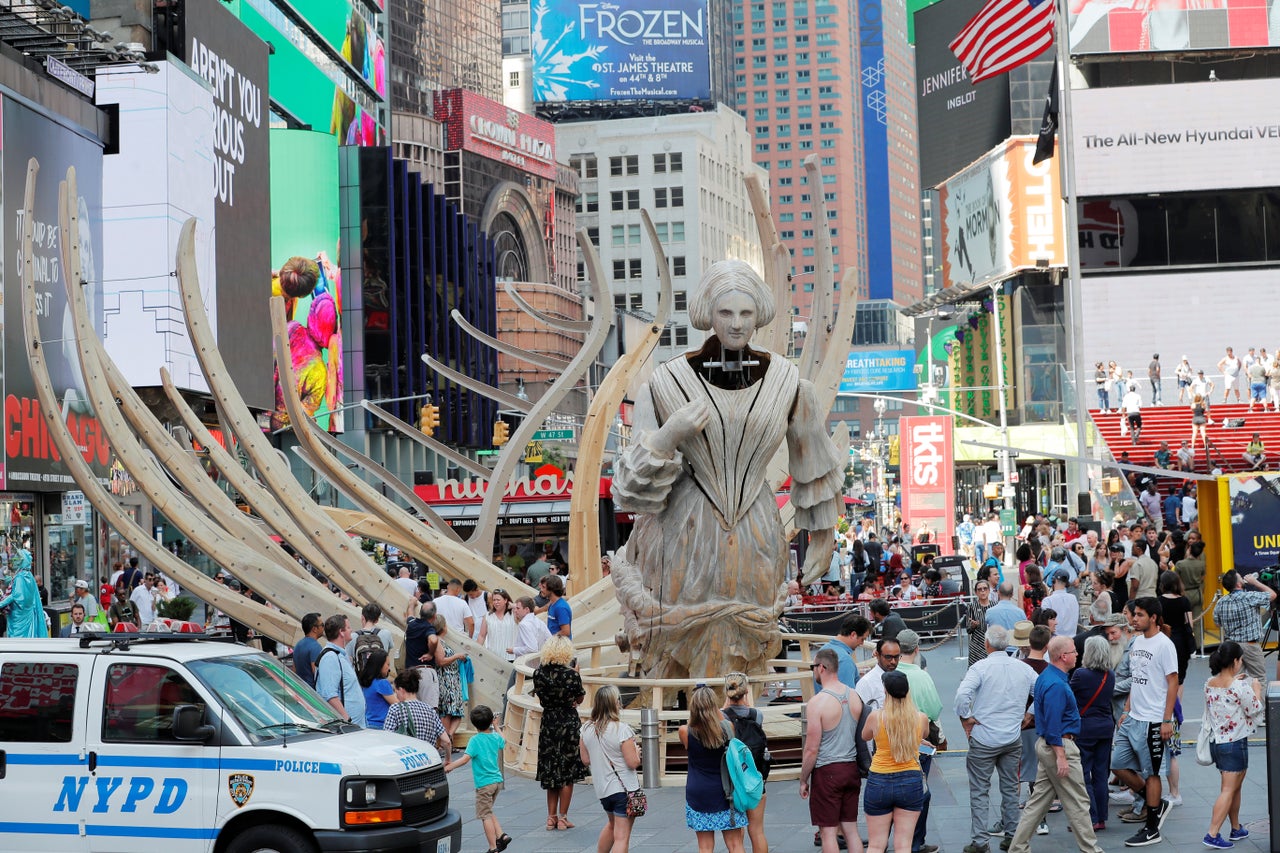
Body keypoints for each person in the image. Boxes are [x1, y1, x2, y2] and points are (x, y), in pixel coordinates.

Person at [609, 260, 845, 680]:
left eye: (746, 313)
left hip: (757, 533)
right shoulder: (663, 383)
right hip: (682, 534)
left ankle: (739, 731)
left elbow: (813, 462)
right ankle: (688, 730)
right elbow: (627, 491)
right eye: (726, 313)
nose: (736, 324)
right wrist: (670, 435)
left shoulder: (789, 384)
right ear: (708, 314)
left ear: (759, 315)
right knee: (674, 656)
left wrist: (823, 536)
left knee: (747, 657)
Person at [1005, 637, 1100, 853]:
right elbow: (1053, 723)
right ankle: (1091, 850)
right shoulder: (1056, 684)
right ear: (1063, 656)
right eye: (1074, 651)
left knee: (1038, 803)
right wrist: (1061, 755)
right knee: (1078, 802)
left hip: (1049, 745)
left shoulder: (1047, 677)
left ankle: (1017, 848)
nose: (1077, 654)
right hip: (1060, 745)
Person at [955, 625, 1037, 851]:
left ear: (987, 644)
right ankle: (1012, 835)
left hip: (985, 737)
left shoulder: (980, 667)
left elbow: (963, 695)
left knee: (979, 790)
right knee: (1010, 787)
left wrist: (966, 717)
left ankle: (980, 841)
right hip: (1012, 736)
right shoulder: (1022, 668)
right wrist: (1030, 714)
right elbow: (1043, 690)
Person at [1110, 597, 1178, 847]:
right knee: (1117, 765)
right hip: (1133, 717)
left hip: (1153, 720)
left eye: (1139, 615)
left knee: (1151, 774)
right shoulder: (1137, 641)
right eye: (1134, 614)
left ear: (1153, 617)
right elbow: (1137, 678)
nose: (1134, 618)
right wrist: (1127, 709)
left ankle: (1152, 828)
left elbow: (1173, 682)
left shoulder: (1164, 645)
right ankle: (1157, 803)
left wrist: (1166, 720)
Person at [802, 648, 865, 853]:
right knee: (851, 829)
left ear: (821, 667)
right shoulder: (854, 696)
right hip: (851, 769)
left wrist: (803, 779)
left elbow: (811, 749)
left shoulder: (817, 702)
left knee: (828, 832)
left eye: (813, 667)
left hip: (827, 771)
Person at [1202, 641, 1264, 850]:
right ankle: (1212, 833)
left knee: (1234, 787)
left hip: (1217, 743)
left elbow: (1224, 695)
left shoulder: (1209, 682)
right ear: (1235, 662)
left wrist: (1237, 683)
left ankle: (1236, 828)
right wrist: (1256, 690)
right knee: (1229, 789)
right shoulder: (1240, 687)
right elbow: (1255, 709)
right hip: (1235, 743)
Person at [861, 670, 928, 853]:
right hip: (910, 780)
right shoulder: (920, 718)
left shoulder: (876, 717)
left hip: (879, 780)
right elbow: (923, 735)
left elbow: (865, 735)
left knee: (875, 845)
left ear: (885, 691)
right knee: (903, 845)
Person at [680, 685, 748, 852]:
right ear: (714, 705)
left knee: (705, 847)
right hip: (726, 792)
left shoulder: (685, 731)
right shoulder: (728, 728)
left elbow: (692, 729)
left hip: (699, 792)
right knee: (735, 844)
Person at [532, 635, 588, 830]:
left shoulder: (538, 674)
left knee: (551, 770)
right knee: (568, 772)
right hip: (568, 723)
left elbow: (541, 700)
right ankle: (563, 817)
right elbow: (579, 699)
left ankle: (551, 817)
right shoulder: (571, 675)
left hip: (548, 723)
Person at [580, 685, 642, 853]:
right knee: (622, 836)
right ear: (615, 703)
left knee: (612, 825)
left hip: (603, 790)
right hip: (624, 789)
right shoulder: (621, 729)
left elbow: (585, 760)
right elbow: (633, 763)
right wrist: (636, 752)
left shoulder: (586, 729)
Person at [895, 631, 941, 853]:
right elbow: (934, 709)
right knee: (920, 790)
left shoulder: (889, 672)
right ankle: (915, 841)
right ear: (916, 649)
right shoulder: (922, 676)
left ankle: (899, 840)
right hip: (919, 739)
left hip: (891, 739)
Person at [445, 705, 511, 853]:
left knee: (485, 815)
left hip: (484, 784)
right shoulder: (494, 736)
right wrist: (496, 726)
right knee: (488, 809)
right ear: (490, 721)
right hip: (497, 782)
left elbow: (464, 759)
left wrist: (449, 767)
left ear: (474, 724)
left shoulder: (475, 740)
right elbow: (504, 740)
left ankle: (493, 847)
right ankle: (502, 835)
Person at [1071, 635, 1116, 832]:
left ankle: (1091, 816)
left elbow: (1069, 696)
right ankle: (1102, 817)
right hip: (1106, 727)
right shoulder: (1110, 674)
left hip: (1085, 728)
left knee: (1083, 774)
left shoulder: (1081, 674)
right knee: (1100, 774)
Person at [723, 672, 772, 853]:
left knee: (737, 835)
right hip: (755, 779)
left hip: (733, 782)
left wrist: (725, 705)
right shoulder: (757, 715)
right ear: (746, 692)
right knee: (757, 831)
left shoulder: (723, 717)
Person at [1213, 570, 1275, 682]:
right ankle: (1257, 699)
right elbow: (1272, 595)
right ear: (1238, 584)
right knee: (1259, 678)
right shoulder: (1249, 597)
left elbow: (1217, 623)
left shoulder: (1221, 602)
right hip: (1250, 645)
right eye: (1240, 577)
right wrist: (1255, 582)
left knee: (1234, 680)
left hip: (1231, 646)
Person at [316, 614, 365, 727]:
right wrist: (347, 719)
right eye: (348, 627)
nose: (351, 630)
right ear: (341, 632)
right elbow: (329, 694)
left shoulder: (340, 655)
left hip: (355, 726)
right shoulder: (330, 658)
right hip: (347, 728)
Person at [427, 616, 468, 739]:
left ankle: (448, 737)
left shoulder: (440, 641)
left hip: (452, 680)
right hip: (446, 680)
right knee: (447, 712)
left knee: (455, 712)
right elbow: (441, 661)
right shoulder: (438, 642)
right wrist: (457, 656)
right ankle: (445, 740)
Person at [1159, 572, 1194, 685]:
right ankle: (1176, 702)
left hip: (1163, 639)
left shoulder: (1158, 601)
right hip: (1181, 642)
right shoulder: (1184, 601)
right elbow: (1190, 624)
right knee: (1179, 679)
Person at [820, 613, 872, 688]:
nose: (862, 643)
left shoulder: (823, 649)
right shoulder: (845, 660)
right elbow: (846, 695)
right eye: (862, 639)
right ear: (853, 635)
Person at [857, 638, 902, 713]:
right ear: (877, 655)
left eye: (896, 657)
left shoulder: (900, 679)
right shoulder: (866, 683)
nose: (893, 661)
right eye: (888, 657)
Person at [358, 648, 396, 730]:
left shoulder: (367, 682)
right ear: (380, 665)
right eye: (387, 665)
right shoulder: (382, 683)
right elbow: (397, 705)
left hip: (368, 723)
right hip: (381, 725)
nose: (389, 669)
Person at [477, 588, 517, 662]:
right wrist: (476, 651)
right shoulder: (488, 616)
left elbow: (528, 610)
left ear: (505, 600)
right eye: (494, 600)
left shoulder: (514, 614)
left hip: (511, 657)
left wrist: (512, 605)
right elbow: (481, 636)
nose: (496, 602)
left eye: (498, 600)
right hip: (493, 657)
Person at [1042, 572, 1079, 638]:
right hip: (1072, 639)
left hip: (1055, 640)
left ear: (1054, 581)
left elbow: (1044, 622)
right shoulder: (1073, 598)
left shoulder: (1048, 600)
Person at [967, 580, 994, 667]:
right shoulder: (971, 606)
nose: (983, 591)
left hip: (992, 644)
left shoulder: (995, 606)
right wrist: (973, 625)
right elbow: (968, 629)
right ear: (976, 592)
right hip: (977, 646)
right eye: (979, 589)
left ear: (989, 590)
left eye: (985, 588)